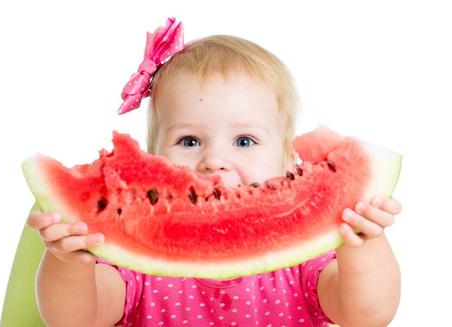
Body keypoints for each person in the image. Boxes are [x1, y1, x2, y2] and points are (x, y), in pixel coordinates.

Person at [27, 18, 402, 326]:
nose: (215, 160)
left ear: (291, 161)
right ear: (152, 162)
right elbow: (77, 320)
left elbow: (366, 315)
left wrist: (362, 245)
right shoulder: (135, 261)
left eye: (244, 141)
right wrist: (69, 265)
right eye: (189, 141)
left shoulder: (306, 262)